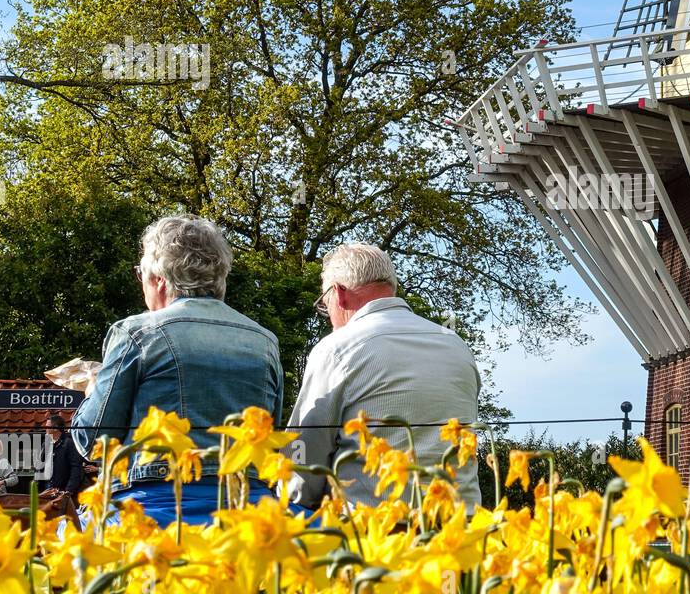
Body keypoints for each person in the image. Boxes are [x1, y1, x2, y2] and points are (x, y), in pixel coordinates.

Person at [71, 214, 284, 525]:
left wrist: (92, 393)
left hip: (155, 505)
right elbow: (269, 434)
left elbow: (93, 441)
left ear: (158, 278)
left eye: (139, 274)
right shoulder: (265, 341)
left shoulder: (136, 333)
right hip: (247, 511)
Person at [286, 243, 481, 512]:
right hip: (461, 527)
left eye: (324, 304)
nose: (327, 314)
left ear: (339, 293)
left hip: (375, 532)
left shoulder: (336, 348)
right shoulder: (456, 345)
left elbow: (305, 448)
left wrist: (295, 501)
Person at [39, 413, 86, 500]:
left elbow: (76, 467)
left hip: (63, 490)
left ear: (56, 427)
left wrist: (69, 490)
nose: (45, 428)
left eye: (47, 426)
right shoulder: (45, 444)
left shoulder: (69, 443)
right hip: (47, 489)